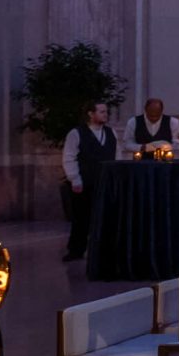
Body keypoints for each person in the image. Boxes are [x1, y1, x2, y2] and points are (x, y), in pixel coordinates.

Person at [60, 102, 117, 261]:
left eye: (106, 112)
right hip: (85, 182)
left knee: (105, 218)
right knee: (81, 218)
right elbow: (69, 157)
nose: (105, 114)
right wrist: (74, 178)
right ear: (91, 114)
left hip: (105, 182)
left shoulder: (110, 132)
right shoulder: (76, 133)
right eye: (101, 112)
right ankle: (76, 250)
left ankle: (103, 250)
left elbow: (116, 155)